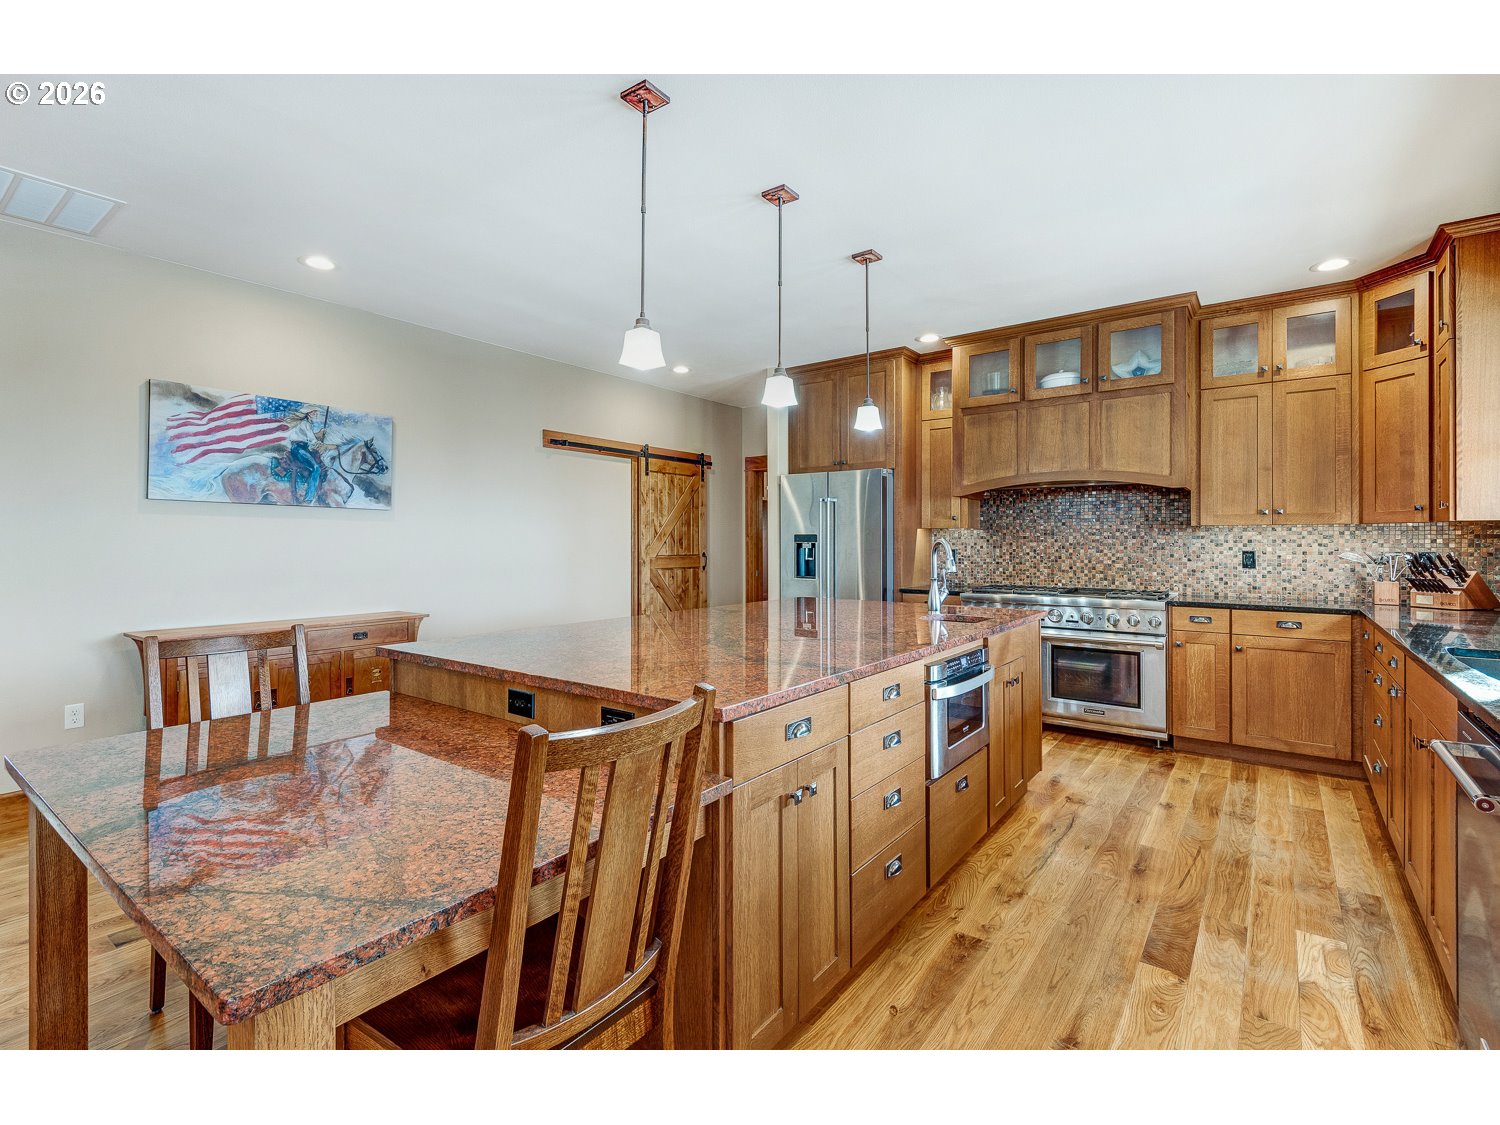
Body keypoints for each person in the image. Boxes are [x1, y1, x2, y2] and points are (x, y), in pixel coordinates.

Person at [284, 406, 329, 504]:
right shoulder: (305, 423)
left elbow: (309, 436)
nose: (315, 414)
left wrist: (320, 433)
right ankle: (308, 498)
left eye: (316, 412)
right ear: (308, 413)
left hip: (302, 448)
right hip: (298, 449)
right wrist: (322, 445)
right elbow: (312, 439)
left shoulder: (307, 423)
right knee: (317, 468)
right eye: (313, 412)